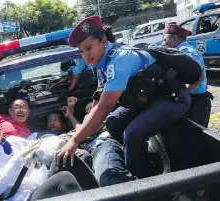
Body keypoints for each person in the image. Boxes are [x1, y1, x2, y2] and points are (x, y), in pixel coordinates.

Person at [56, 15, 191, 180]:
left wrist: (75, 141)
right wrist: (86, 122)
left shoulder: (120, 60)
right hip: (147, 101)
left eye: (88, 48)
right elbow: (99, 98)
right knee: (113, 122)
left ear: (103, 41)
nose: (85, 55)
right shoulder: (101, 65)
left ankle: (146, 181)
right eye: (82, 51)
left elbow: (104, 107)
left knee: (132, 134)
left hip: (171, 99)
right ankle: (134, 157)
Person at [0, 113, 82, 201]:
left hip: (43, 181)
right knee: (64, 178)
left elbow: (35, 147)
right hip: (25, 200)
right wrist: (17, 160)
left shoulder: (12, 140)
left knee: (73, 158)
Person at [162, 24, 212, 127]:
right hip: (190, 100)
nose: (163, 44)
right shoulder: (177, 53)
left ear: (175, 39)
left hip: (196, 102)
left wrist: (185, 96)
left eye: (165, 40)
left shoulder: (188, 53)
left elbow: (199, 78)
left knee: (195, 138)